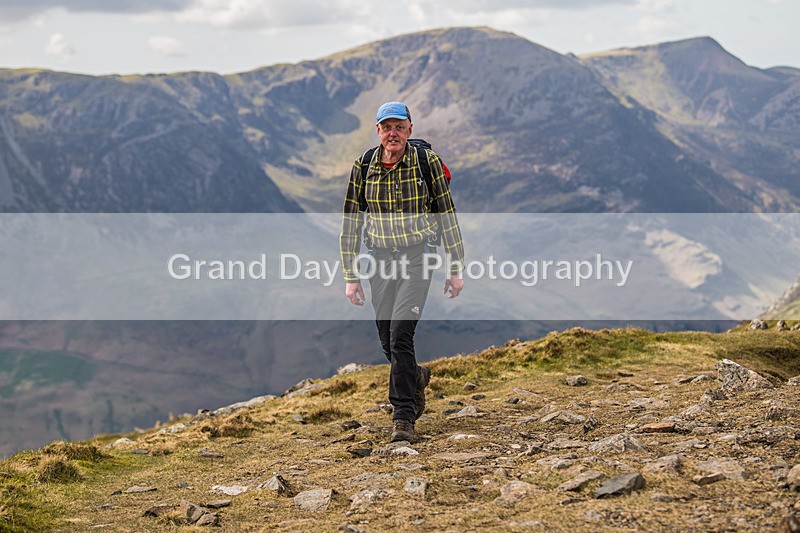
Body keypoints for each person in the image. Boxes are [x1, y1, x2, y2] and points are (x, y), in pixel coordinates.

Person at [340, 101, 464, 443]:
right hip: (379, 259)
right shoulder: (363, 166)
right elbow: (351, 223)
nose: (392, 133)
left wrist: (455, 268)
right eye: (386, 127)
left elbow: (446, 214)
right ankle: (416, 376)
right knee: (386, 338)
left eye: (399, 127)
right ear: (378, 131)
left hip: (418, 256)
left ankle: (403, 416)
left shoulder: (427, 163)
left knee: (400, 335)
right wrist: (350, 276)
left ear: (409, 130)